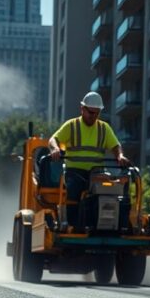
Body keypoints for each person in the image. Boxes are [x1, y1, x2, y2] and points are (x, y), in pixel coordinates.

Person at [48, 92, 131, 227]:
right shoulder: (72, 126)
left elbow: (115, 146)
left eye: (96, 113)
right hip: (74, 172)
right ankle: (72, 225)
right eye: (91, 112)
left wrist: (119, 156)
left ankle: (112, 224)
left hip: (96, 173)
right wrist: (55, 149)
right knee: (73, 190)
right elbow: (53, 140)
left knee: (113, 189)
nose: (93, 116)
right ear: (82, 109)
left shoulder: (104, 128)